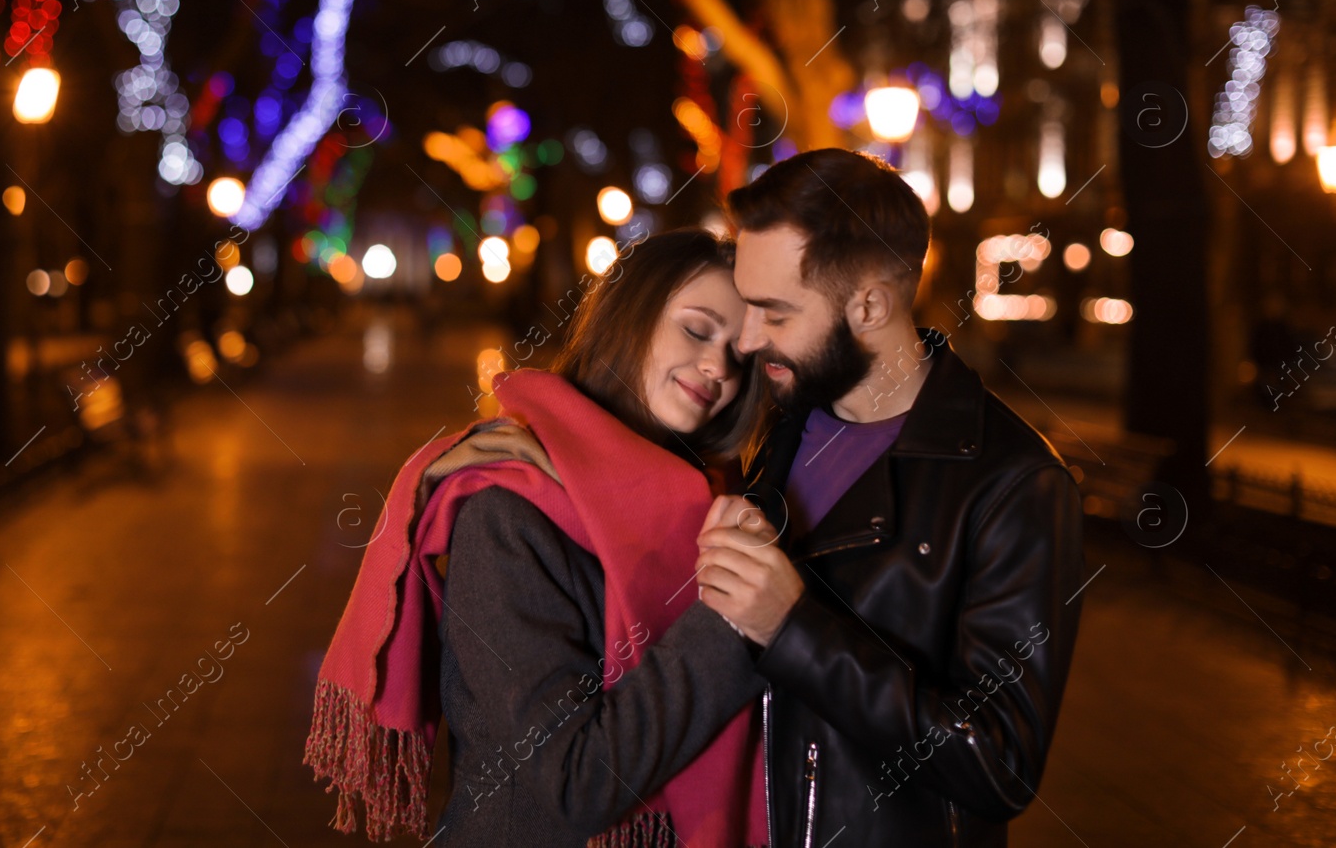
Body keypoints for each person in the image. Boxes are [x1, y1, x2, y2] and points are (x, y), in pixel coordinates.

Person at [306, 228, 771, 847]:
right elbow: (575, 783)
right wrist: (735, 616)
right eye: (696, 329)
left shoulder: (711, 503)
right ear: (629, 319)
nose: (719, 368)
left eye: (739, 355)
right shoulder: (510, 513)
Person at [695, 149, 1085, 846]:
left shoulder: (1015, 482)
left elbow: (1001, 763)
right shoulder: (780, 417)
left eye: (774, 312)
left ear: (869, 303)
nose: (747, 339)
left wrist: (795, 628)